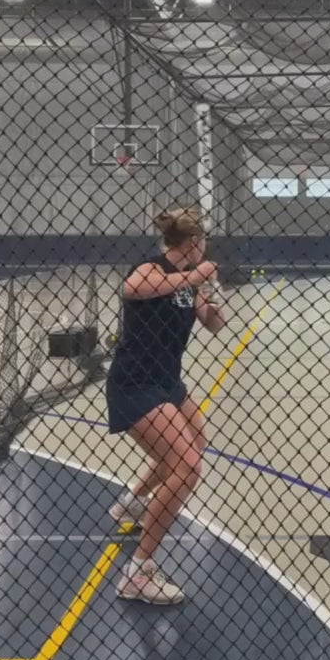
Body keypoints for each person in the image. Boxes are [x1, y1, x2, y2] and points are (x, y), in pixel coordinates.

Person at [106, 207, 225, 605]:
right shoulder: (151, 268)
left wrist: (212, 295)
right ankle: (138, 574)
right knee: (187, 466)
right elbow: (133, 289)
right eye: (203, 242)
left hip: (168, 382)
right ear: (193, 242)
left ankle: (132, 503)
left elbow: (214, 324)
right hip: (135, 383)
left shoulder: (190, 282)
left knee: (195, 442)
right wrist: (196, 275)